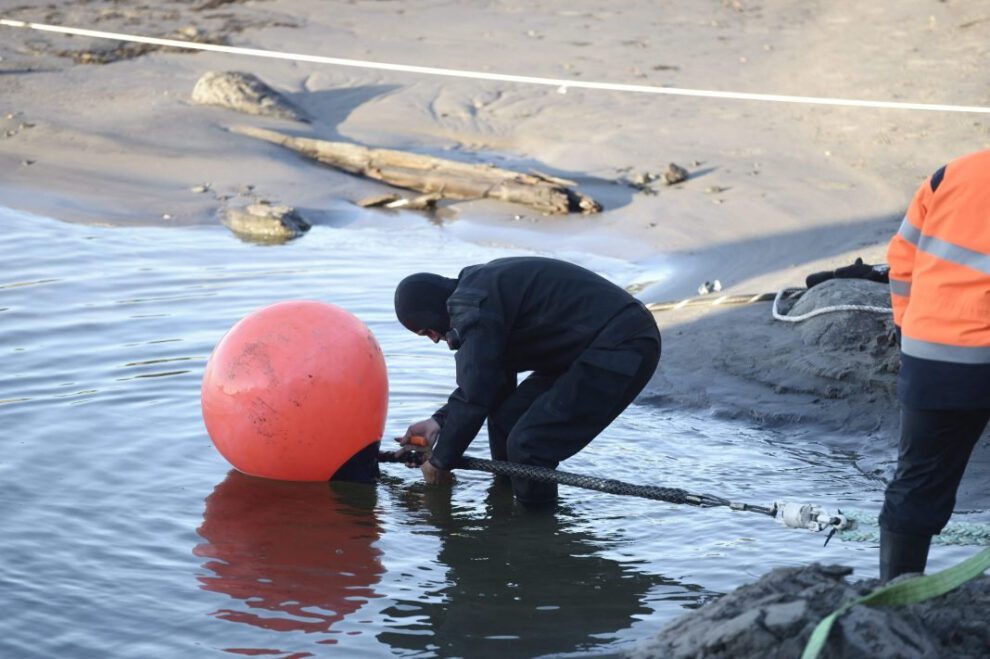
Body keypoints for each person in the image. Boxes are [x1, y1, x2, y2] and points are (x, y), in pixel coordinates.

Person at [393, 256, 661, 506]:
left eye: (427, 330)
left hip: (624, 344)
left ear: (432, 310)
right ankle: (506, 505)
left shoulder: (471, 308)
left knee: (530, 444)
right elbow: (487, 380)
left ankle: (537, 533)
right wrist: (438, 421)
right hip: (585, 348)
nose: (435, 338)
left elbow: (474, 394)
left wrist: (440, 462)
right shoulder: (477, 295)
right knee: (506, 420)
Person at [879, 148, 990, 581]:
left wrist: (910, 327)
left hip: (935, 356)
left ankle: (894, 597)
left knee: (917, 483)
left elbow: (901, 257)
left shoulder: (953, 173)